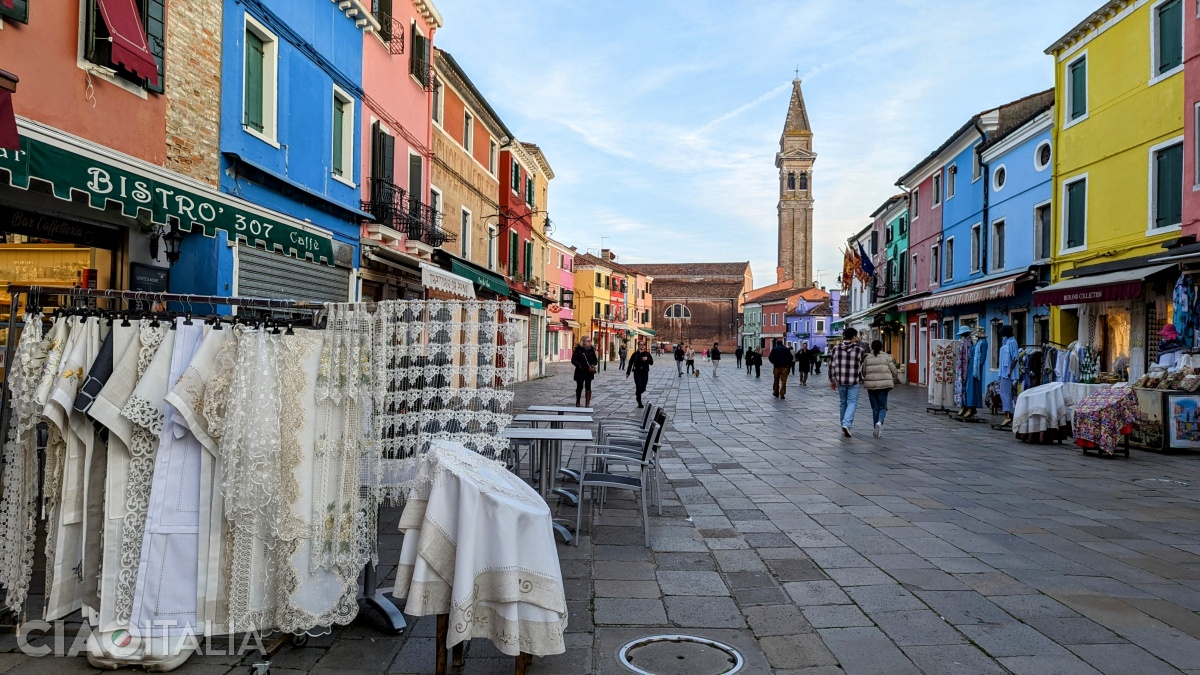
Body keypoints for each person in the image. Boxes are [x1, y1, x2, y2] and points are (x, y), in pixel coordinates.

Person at [828, 327, 866, 437]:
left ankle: (843, 425)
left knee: (843, 403)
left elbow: (832, 365)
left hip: (840, 379)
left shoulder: (836, 348)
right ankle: (846, 424)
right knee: (852, 402)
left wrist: (832, 379)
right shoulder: (859, 350)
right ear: (854, 337)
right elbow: (861, 363)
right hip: (853, 380)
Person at [862, 339, 900, 438]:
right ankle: (879, 423)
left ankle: (876, 427)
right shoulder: (886, 357)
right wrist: (893, 380)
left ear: (872, 347)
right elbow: (894, 371)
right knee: (882, 407)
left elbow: (863, 372)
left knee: (875, 408)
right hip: (883, 385)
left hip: (871, 386)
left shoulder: (867, 358)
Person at [998, 325, 1019, 426]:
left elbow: (1015, 357)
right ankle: (1007, 414)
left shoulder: (1012, 342)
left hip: (1008, 372)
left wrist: (1010, 370)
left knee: (1005, 393)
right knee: (1003, 393)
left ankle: (1008, 415)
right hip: (1003, 371)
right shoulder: (1005, 341)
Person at [571, 336, 599, 407]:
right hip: (580, 371)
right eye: (588, 341)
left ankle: (587, 402)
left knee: (588, 386)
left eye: (590, 341)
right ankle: (578, 401)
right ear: (583, 342)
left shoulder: (591, 350)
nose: (590, 342)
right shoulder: (578, 350)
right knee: (579, 387)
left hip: (589, 371)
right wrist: (579, 366)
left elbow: (595, 360)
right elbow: (573, 360)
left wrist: (593, 364)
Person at [626, 339, 654, 408]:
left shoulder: (647, 354)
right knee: (638, 386)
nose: (642, 346)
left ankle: (637, 394)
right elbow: (630, 363)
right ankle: (639, 402)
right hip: (637, 372)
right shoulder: (635, 354)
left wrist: (647, 359)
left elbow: (652, 362)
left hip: (644, 372)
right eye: (641, 345)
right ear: (638, 346)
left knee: (643, 388)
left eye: (643, 345)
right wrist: (628, 372)